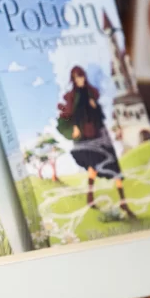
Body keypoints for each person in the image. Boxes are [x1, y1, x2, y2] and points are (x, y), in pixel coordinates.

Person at [56, 65, 135, 217]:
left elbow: (98, 114)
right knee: (92, 167)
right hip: (86, 137)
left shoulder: (92, 92)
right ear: (73, 80)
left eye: (81, 76)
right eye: (76, 77)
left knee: (115, 169)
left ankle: (123, 202)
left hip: (100, 134)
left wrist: (94, 106)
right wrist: (74, 128)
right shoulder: (71, 97)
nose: (80, 80)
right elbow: (66, 116)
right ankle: (90, 198)